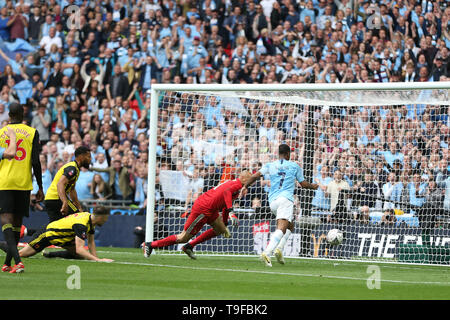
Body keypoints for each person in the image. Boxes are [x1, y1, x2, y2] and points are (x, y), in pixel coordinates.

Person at [143, 170, 254, 258]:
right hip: (203, 208)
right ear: (243, 178)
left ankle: (189, 246)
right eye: (250, 179)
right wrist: (231, 213)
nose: (251, 182)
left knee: (221, 229)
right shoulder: (237, 185)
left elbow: (225, 202)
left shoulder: (236, 185)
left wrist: (225, 222)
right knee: (183, 237)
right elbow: (226, 193)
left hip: (211, 209)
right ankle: (150, 245)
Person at [242, 144, 318, 267]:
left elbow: (255, 176)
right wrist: (313, 186)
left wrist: (245, 186)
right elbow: (303, 184)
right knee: (282, 228)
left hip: (272, 202)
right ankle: (267, 252)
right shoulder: (294, 166)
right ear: (288, 154)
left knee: (290, 225)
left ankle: (279, 249)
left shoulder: (270, 165)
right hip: (285, 200)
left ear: (279, 154)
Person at [0, 103, 44, 274]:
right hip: (24, 182)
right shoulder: (32, 132)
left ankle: (17, 262)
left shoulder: (1, 133)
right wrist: (40, 186)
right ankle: (7, 263)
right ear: (23, 114)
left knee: (6, 222)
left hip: (4, 182)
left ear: (9, 115)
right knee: (17, 224)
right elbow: (35, 161)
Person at [17, 206, 113, 263]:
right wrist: (98, 260)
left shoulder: (90, 219)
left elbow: (91, 242)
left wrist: (96, 259)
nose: (106, 220)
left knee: (79, 256)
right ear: (100, 217)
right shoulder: (82, 224)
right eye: (106, 218)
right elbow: (80, 249)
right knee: (21, 254)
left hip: (63, 239)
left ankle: (50, 255)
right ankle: (4, 245)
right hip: (48, 234)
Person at [44, 146, 92, 222]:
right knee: (78, 219)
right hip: (56, 199)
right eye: (89, 157)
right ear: (81, 157)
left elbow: (72, 190)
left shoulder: (76, 168)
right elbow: (60, 184)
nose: (90, 159)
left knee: (54, 229)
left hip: (49, 199)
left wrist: (79, 207)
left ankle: (29, 232)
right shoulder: (72, 168)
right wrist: (65, 202)